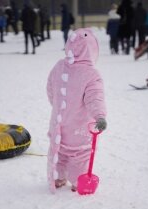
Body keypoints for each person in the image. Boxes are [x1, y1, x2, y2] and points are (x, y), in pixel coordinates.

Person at [46, 28, 107, 193]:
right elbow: (95, 98)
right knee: (79, 156)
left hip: (58, 124)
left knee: (59, 150)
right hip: (79, 130)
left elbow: (50, 89)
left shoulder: (59, 66)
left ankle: (58, 177)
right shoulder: (91, 74)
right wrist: (100, 116)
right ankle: (77, 181)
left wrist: (59, 106)